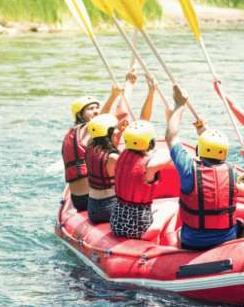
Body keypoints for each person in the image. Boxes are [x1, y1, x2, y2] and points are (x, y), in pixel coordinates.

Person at [166, 85, 244, 251]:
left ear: (200, 147)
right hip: (226, 238)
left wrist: (179, 104)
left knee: (179, 232)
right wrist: (205, 134)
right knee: (240, 224)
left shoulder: (188, 168)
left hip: (193, 242)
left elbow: (171, 137)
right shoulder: (232, 171)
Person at [84, 75, 164, 225]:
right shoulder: (114, 158)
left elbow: (99, 123)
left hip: (93, 208)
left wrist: (129, 84)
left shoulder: (90, 145)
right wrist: (151, 91)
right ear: (110, 133)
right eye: (115, 129)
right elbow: (143, 124)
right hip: (110, 207)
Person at [62, 72, 132, 211]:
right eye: (90, 109)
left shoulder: (78, 135)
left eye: (96, 108)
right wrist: (129, 83)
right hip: (91, 199)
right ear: (79, 115)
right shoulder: (87, 130)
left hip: (78, 199)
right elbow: (122, 112)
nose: (95, 111)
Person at [111, 120, 171, 240]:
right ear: (150, 143)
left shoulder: (121, 157)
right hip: (138, 230)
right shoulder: (150, 165)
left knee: (155, 210)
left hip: (116, 225)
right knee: (170, 206)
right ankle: (159, 244)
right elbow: (170, 153)